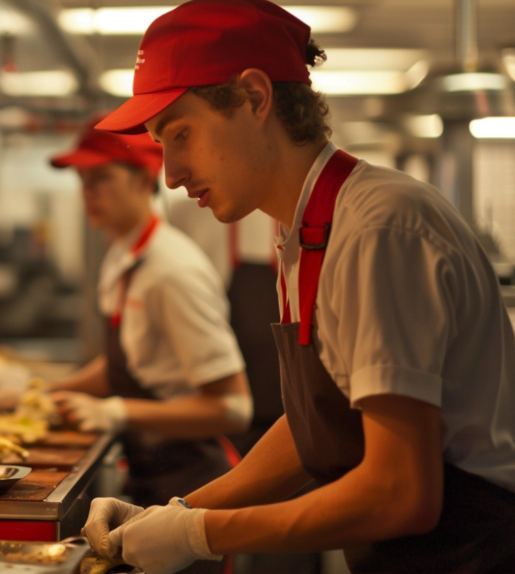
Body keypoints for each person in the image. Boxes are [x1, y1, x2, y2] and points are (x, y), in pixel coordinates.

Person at [82, 1, 515, 573]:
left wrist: (200, 533)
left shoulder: (379, 228)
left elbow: (400, 491)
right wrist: (171, 511)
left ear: (255, 97)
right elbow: (319, 421)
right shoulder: (304, 230)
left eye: (181, 133)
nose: (171, 173)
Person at [47, 115, 253, 543]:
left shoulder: (171, 270)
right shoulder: (122, 256)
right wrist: (47, 392)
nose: (87, 194)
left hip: (195, 485)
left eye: (100, 178)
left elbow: (234, 408)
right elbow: (128, 365)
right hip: (150, 474)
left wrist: (117, 411)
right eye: (82, 180)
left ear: (144, 180)